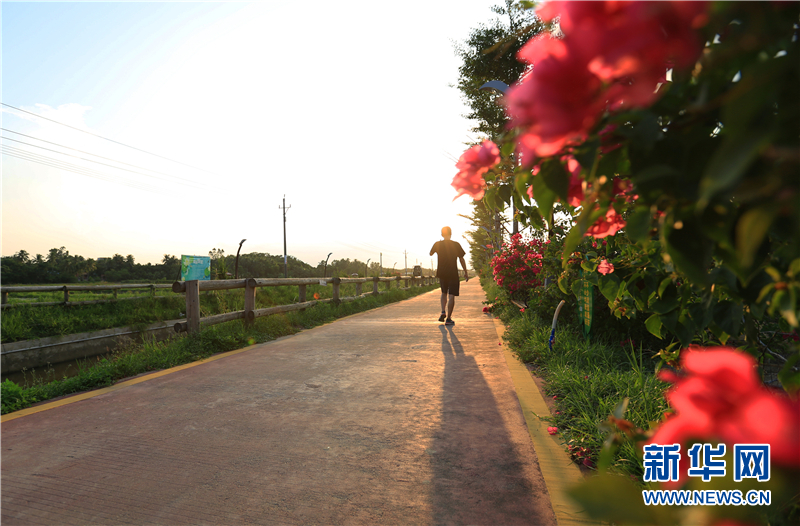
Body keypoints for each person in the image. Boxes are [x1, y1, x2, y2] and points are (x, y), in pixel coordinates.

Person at [430, 226, 469, 325]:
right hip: (453, 273)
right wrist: (465, 271)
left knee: (443, 293)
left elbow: (430, 253)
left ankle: (443, 311)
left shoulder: (438, 244)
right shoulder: (456, 245)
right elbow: (461, 259)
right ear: (451, 234)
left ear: (442, 234)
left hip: (442, 272)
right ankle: (448, 318)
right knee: (451, 295)